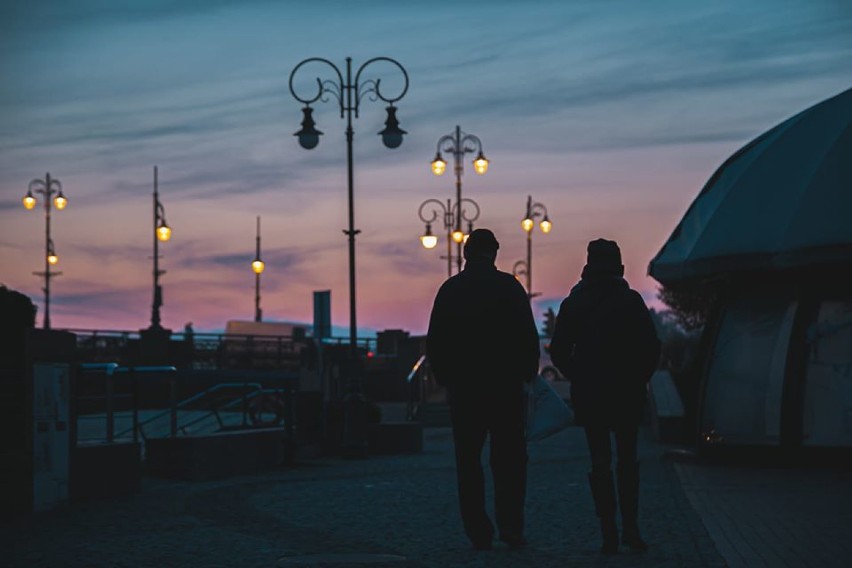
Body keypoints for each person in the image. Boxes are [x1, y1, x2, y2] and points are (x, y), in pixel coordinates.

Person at [426, 228, 540, 550]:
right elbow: (528, 338)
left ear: (466, 254)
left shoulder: (450, 290)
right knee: (510, 462)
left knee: (469, 463)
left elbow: (436, 343)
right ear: (495, 252)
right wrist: (526, 376)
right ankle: (511, 527)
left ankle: (478, 530)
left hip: (466, 391)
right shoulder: (509, 287)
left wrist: (447, 380)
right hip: (504, 389)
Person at [549, 238, 660, 554]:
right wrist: (638, 378)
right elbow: (651, 348)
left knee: (599, 461)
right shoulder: (631, 301)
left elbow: (558, 351)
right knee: (628, 459)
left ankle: (608, 531)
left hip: (591, 394)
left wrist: (579, 375)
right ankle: (631, 528)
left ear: (588, 265)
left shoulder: (575, 303)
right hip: (627, 392)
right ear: (619, 266)